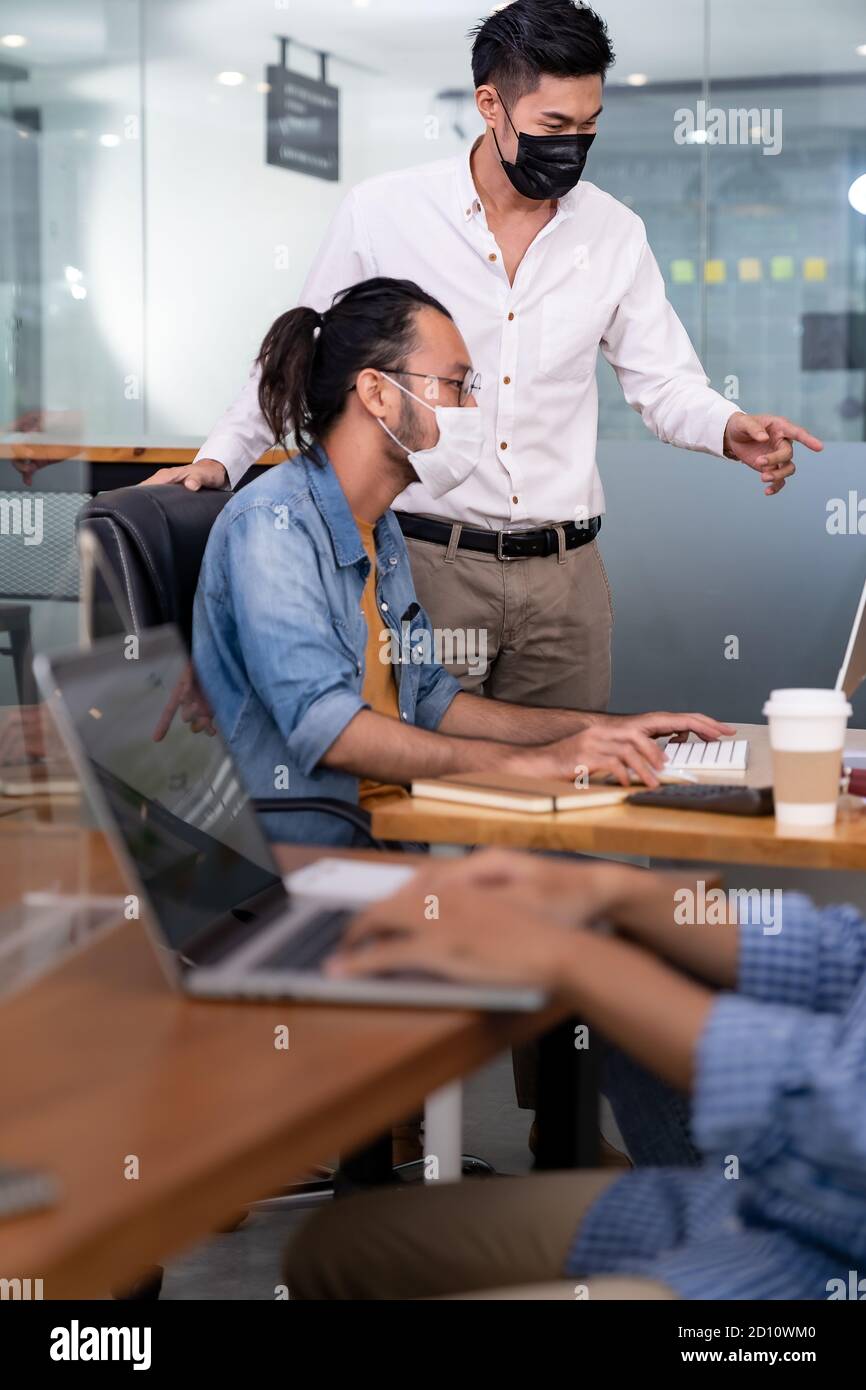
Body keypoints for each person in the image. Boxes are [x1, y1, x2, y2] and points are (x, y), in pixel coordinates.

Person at [151, 0, 821, 718]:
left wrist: (729, 428)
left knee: (568, 787)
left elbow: (664, 382)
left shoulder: (614, 232)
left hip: (567, 579)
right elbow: (303, 348)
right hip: (425, 565)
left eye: (588, 126)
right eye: (553, 126)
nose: (572, 144)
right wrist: (222, 456)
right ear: (490, 105)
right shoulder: (386, 213)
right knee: (424, 785)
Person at [192, 275, 731, 846]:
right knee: (604, 907)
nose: (473, 408)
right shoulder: (275, 525)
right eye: (455, 385)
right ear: (376, 393)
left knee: (602, 896)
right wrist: (540, 765)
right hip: (315, 862)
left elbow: (428, 698)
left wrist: (606, 731)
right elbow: (327, 730)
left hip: (392, 842)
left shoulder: (383, 531)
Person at [280, 848, 866, 1301]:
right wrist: (611, 890)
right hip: (755, 1204)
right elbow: (844, 957)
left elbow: (840, 1118)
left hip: (821, 1270)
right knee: (333, 1250)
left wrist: (572, 958)